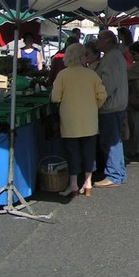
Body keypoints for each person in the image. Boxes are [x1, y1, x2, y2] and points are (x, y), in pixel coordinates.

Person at [51, 43, 107, 198]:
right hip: (89, 119)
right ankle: (88, 183)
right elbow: (102, 95)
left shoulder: (63, 75)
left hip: (70, 120)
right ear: (82, 56)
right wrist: (94, 106)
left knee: (72, 153)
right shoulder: (91, 74)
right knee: (89, 152)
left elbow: (55, 97)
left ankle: (74, 185)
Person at [93, 30, 129, 188]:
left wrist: (98, 99)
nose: (97, 42)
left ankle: (114, 174)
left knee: (110, 141)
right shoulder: (114, 56)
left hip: (111, 106)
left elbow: (109, 84)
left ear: (108, 41)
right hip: (116, 104)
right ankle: (118, 172)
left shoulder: (111, 58)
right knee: (115, 140)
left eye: (99, 39)